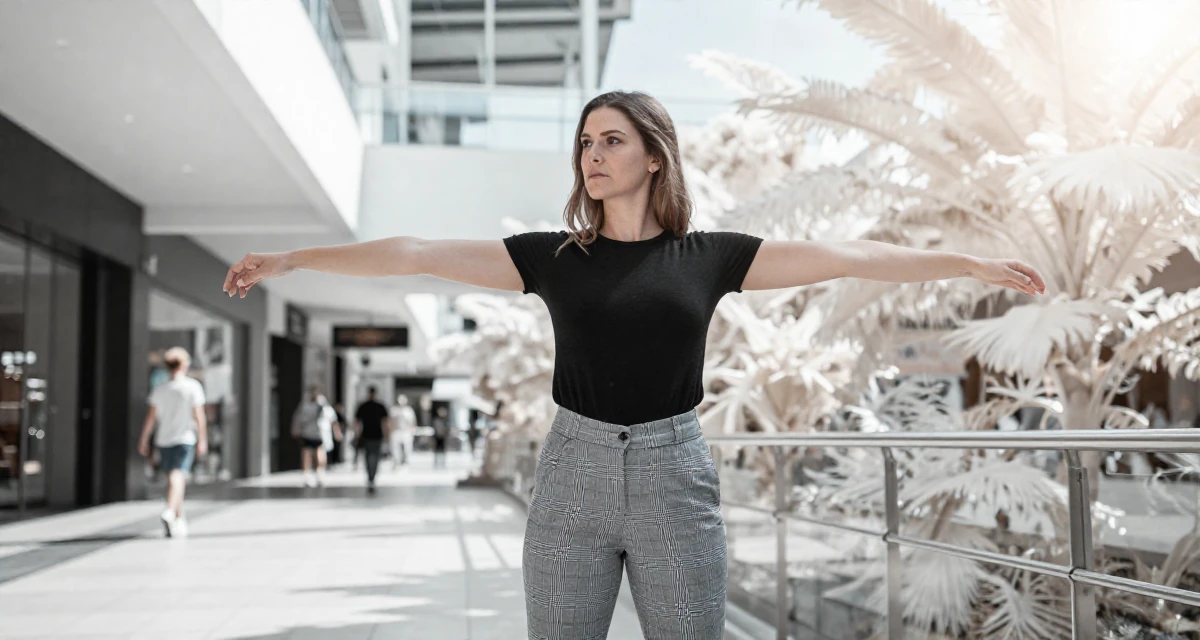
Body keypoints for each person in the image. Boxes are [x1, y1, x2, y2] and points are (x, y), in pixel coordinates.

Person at [221, 90, 1045, 639]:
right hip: (571, 473)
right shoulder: (552, 258)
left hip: (674, 475)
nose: (593, 153)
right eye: (585, 141)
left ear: (655, 156)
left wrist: (964, 264)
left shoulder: (709, 257)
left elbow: (847, 254)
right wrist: (293, 259)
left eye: (612, 140)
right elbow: (417, 252)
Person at [138, 347, 206, 538]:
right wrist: (202, 439)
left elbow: (150, 418)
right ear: (184, 365)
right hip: (185, 438)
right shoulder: (192, 387)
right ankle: (170, 510)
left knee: (174, 477)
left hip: (164, 439)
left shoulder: (160, 389)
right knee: (178, 475)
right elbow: (199, 416)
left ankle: (178, 517)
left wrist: (144, 439)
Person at [291, 385, 341, 488]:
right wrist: (296, 430)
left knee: (319, 453)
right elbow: (298, 418)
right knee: (306, 454)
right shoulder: (305, 405)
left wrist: (337, 433)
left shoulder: (324, 406)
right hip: (307, 433)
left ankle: (319, 473)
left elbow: (333, 420)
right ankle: (307, 475)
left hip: (320, 434)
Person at [354, 386, 391, 493]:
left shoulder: (367, 406)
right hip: (370, 436)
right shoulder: (376, 406)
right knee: (371, 457)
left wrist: (387, 434)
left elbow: (385, 422)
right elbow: (357, 423)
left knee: (371, 457)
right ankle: (371, 477)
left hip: (373, 435)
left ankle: (371, 477)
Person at [389, 394, 417, 469]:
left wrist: (413, 430)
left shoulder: (409, 410)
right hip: (396, 431)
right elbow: (390, 421)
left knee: (407, 448)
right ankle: (396, 462)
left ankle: (406, 461)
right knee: (395, 448)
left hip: (406, 431)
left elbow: (413, 421)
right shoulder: (394, 410)